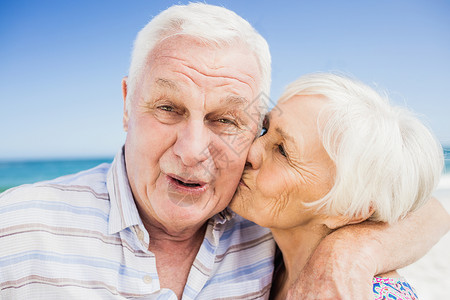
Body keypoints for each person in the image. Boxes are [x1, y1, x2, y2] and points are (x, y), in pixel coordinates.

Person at [0, 3, 449, 299]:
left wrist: (350, 254)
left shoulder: (263, 226)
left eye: (226, 120)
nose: (195, 151)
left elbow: (423, 209)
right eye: (168, 108)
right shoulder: (17, 228)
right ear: (126, 103)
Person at [230, 72, 448, 299]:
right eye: (264, 129)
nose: (250, 151)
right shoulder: (269, 256)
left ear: (348, 210)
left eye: (283, 152)